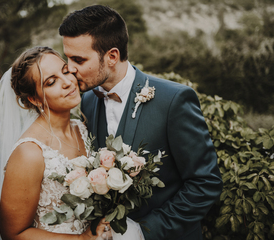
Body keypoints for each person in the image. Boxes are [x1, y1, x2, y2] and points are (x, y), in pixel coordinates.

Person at [59, 5, 223, 240]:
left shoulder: (173, 100)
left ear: (112, 56)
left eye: (78, 59)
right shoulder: (87, 101)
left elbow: (205, 183)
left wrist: (143, 232)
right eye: (67, 57)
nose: (70, 68)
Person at [0, 46, 109, 240]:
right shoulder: (30, 152)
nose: (68, 82)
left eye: (65, 71)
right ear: (34, 99)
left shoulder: (83, 128)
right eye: (51, 82)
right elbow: (14, 234)